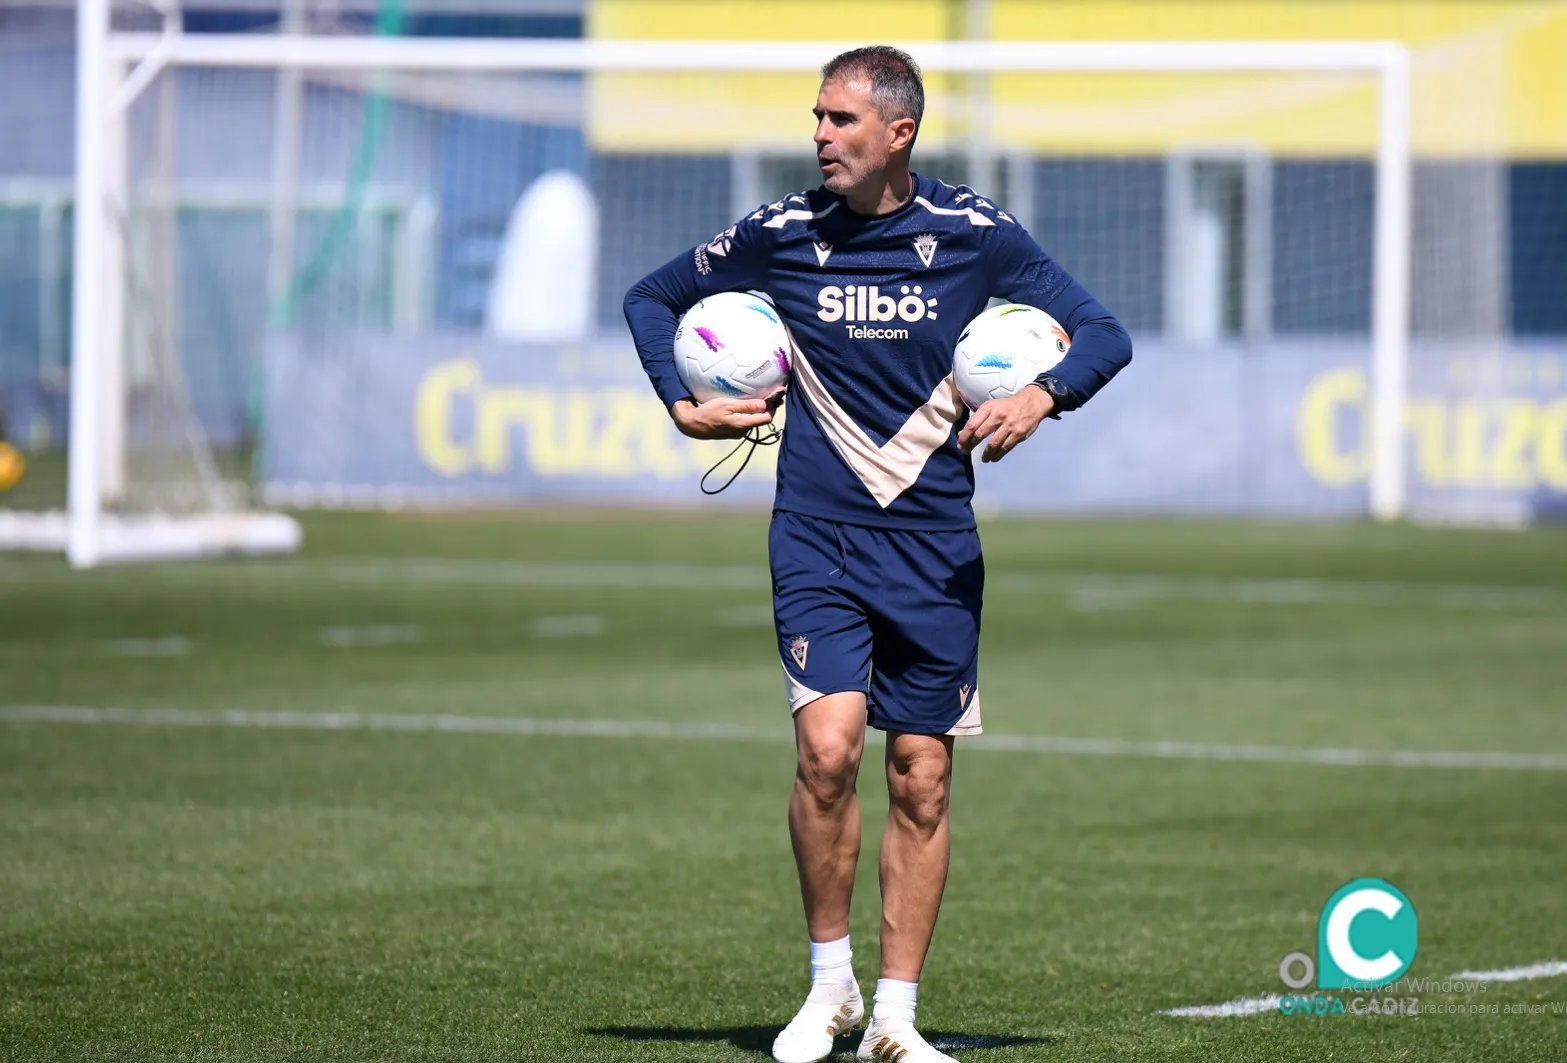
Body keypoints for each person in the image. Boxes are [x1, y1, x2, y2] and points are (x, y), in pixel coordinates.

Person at [623, 45, 1131, 1063]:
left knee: (920, 774)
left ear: (899, 133)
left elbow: (1102, 333)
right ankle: (829, 988)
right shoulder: (780, 232)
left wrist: (1041, 393)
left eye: (842, 121)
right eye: (817, 117)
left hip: (935, 546)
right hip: (814, 534)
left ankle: (896, 1017)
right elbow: (651, 297)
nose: (821, 135)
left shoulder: (973, 235)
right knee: (824, 754)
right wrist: (686, 407)